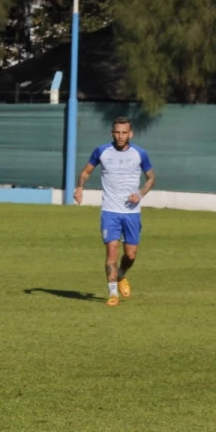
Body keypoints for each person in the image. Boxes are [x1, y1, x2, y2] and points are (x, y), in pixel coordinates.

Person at [73, 117, 156, 306]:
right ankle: (112, 294)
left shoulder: (140, 154)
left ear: (130, 134)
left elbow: (151, 178)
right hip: (110, 211)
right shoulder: (102, 151)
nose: (120, 136)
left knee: (131, 255)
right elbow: (86, 172)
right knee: (111, 251)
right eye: (117, 132)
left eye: (124, 132)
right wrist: (79, 188)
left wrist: (141, 194)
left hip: (132, 213)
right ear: (112, 133)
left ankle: (120, 275)